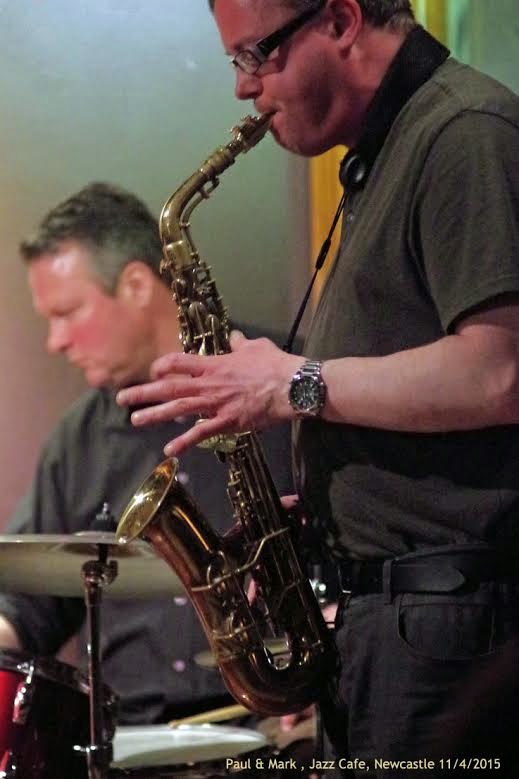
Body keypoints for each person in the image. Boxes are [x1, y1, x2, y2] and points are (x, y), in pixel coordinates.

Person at [116, 0, 519, 776]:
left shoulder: (463, 133)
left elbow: (500, 370)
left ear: (339, 20)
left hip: (449, 633)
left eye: (254, 56)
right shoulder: (386, 153)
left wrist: (292, 383)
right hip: (399, 627)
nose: (242, 88)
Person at [0, 181, 294, 729]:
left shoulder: (279, 386)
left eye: (67, 312)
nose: (55, 341)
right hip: (131, 738)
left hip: (275, 729)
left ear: (136, 285)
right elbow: (27, 607)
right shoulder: (77, 440)